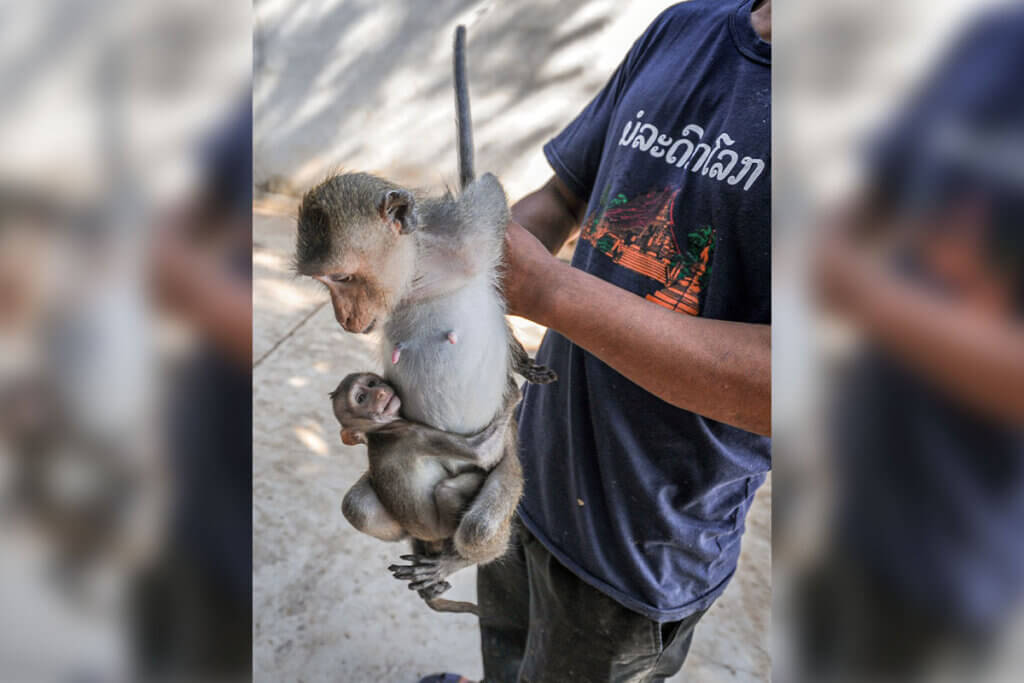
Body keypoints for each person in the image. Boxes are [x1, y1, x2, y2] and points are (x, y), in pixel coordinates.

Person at [425, 1, 771, 680]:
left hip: (640, 546)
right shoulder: (686, 26)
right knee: (506, 658)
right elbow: (561, 196)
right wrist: (461, 279)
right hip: (531, 476)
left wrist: (548, 290)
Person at [801, 7, 1024, 679]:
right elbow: (853, 224)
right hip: (854, 512)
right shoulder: (993, 42)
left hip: (962, 567)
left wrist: (876, 295)